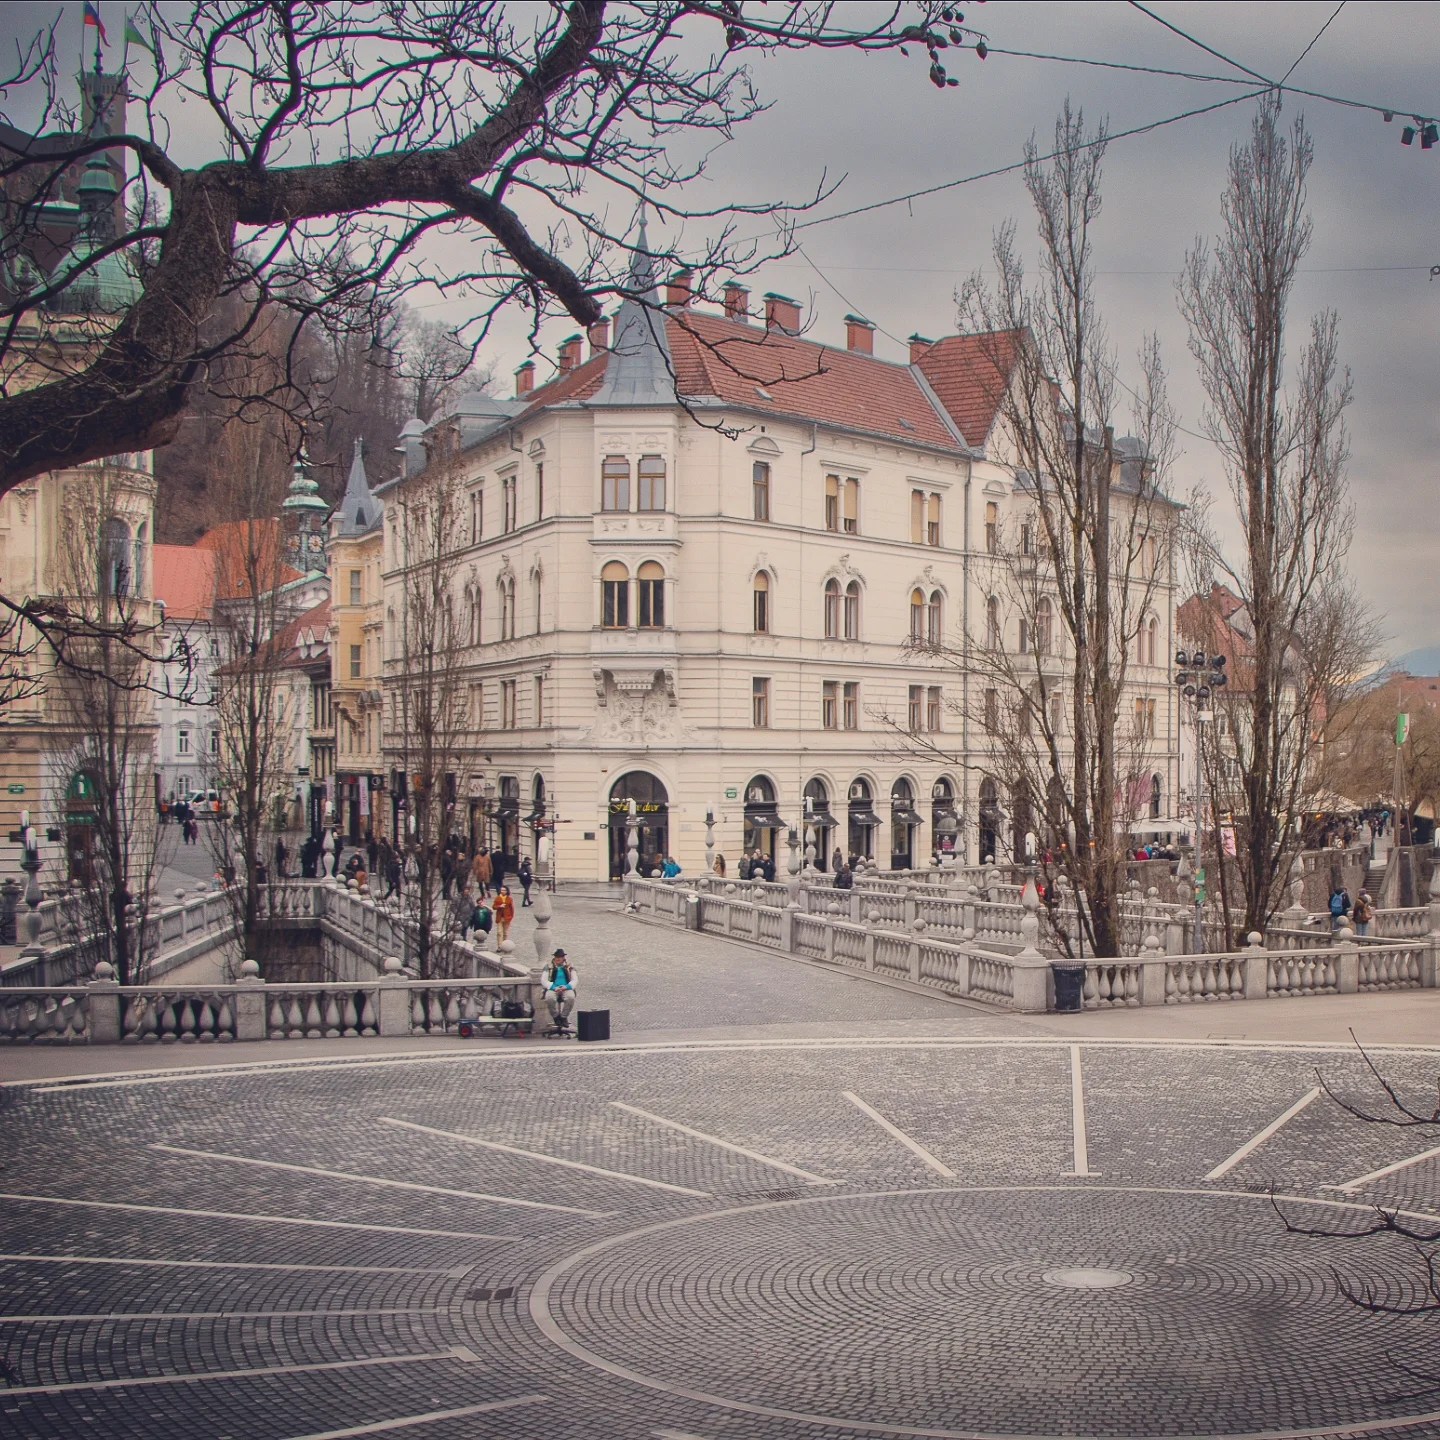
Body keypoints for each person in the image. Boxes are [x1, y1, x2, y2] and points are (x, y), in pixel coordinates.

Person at [542, 947, 577, 1030]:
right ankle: (556, 1016)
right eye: (556, 957)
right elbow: (543, 980)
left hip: (566, 987)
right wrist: (554, 987)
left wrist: (567, 986)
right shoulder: (549, 967)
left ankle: (564, 1017)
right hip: (553, 988)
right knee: (549, 998)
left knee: (570, 997)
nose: (557, 959)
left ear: (563, 958)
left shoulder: (569, 966)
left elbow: (575, 979)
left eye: (559, 957)